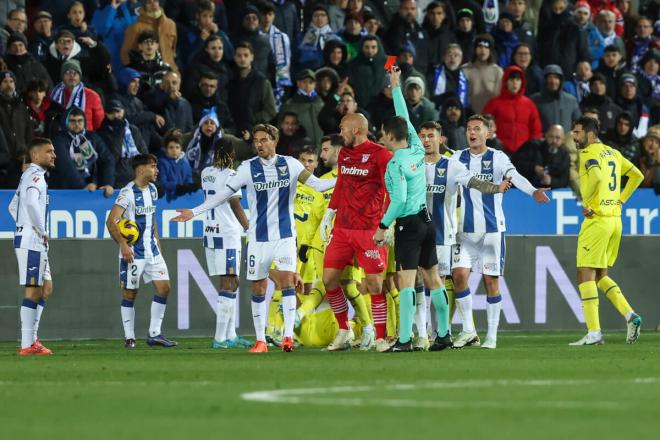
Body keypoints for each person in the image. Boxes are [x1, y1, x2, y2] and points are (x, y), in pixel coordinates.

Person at [172, 124, 336, 353]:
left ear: (274, 141)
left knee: (288, 282)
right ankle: (261, 340)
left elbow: (318, 185)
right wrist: (194, 212)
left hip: (285, 236)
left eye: (264, 139)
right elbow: (223, 194)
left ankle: (288, 336)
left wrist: (346, 178)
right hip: (257, 238)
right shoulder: (247, 168)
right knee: (258, 287)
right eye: (256, 140)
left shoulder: (290, 164)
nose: (259, 144)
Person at [451, 115, 550, 349]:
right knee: (458, 276)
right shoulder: (457, 157)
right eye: (469, 129)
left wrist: (532, 191)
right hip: (464, 231)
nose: (472, 132)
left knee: (490, 282)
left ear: (488, 133)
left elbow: (513, 176)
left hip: (492, 231)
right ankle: (469, 330)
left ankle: (492, 337)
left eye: (477, 129)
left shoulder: (497, 157)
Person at [318, 113, 393, 352]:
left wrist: (387, 222)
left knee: (374, 284)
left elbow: (391, 189)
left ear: (357, 130)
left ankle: (380, 337)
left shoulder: (381, 155)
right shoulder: (346, 154)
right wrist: (330, 212)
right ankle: (344, 329)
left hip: (369, 230)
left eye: (343, 129)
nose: (340, 133)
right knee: (329, 279)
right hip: (342, 229)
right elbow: (341, 184)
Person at [569, 116, 644, 346]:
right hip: (615, 221)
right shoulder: (612, 153)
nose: (574, 135)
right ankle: (630, 316)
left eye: (577, 132)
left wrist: (587, 202)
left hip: (598, 220)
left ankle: (594, 333)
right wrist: (620, 201)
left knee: (584, 274)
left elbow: (598, 176)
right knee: (601, 275)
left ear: (589, 134)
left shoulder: (588, 153)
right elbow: (637, 176)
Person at [295, 134, 374, 351]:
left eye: (326, 150)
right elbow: (317, 215)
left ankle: (368, 328)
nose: (321, 155)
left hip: (353, 239)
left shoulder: (359, 174)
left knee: (352, 286)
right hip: (327, 244)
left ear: (339, 151)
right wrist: (307, 244)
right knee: (330, 284)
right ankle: (345, 331)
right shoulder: (322, 182)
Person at [106, 153, 177, 349]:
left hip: (152, 251)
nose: (157, 170)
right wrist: (123, 244)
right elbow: (111, 221)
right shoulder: (127, 193)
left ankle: (155, 334)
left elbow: (152, 218)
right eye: (153, 166)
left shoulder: (153, 190)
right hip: (133, 253)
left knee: (164, 288)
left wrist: (158, 243)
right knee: (130, 293)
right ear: (140, 169)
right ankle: (130, 338)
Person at [200, 138, 251, 349]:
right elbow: (235, 204)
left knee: (233, 281)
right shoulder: (231, 175)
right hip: (228, 233)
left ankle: (231, 334)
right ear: (231, 154)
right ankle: (220, 338)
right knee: (228, 283)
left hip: (210, 233)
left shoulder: (205, 173)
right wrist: (249, 227)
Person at [9, 138, 56, 355]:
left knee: (45, 288)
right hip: (32, 240)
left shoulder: (29, 176)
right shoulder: (35, 175)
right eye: (49, 151)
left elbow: (13, 206)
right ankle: (27, 344)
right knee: (33, 290)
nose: (53, 155)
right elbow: (28, 203)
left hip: (31, 238)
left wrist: (22, 224)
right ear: (35, 156)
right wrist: (39, 229)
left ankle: (33, 339)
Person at [482, 65, 543, 155]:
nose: (515, 83)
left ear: (522, 82)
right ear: (506, 82)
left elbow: (536, 131)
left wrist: (531, 149)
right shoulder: (494, 103)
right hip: (500, 152)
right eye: (511, 80)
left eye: (518, 80)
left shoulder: (529, 104)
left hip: (524, 153)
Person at [121, 0, 178, 72]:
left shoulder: (171, 24)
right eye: (149, 2)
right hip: (146, 76)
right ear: (144, 6)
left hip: (169, 74)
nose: (153, 4)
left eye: (155, 1)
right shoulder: (135, 28)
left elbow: (173, 50)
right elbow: (125, 55)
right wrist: (136, 75)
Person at [49, 59, 104, 132]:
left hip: (86, 137)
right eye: (68, 72)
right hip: (60, 137)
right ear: (62, 76)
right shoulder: (54, 94)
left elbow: (99, 123)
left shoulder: (92, 96)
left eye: (75, 73)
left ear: (80, 76)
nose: (72, 76)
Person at [531, 64, 582, 133]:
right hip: (543, 142)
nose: (553, 81)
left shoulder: (571, 100)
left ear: (561, 80)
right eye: (550, 78)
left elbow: (579, 123)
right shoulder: (535, 100)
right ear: (545, 80)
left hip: (566, 142)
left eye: (556, 78)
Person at [463, 34, 503, 114]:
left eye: (486, 47)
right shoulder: (465, 69)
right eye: (480, 47)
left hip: (491, 116)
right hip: (469, 115)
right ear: (474, 49)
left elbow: (500, 97)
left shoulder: (497, 71)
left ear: (490, 50)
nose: (483, 50)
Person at [157, 132, 193, 202]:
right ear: (166, 149)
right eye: (171, 147)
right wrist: (177, 187)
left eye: (177, 147)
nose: (174, 150)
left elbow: (189, 178)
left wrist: (189, 187)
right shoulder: (162, 162)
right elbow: (162, 182)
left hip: (184, 198)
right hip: (167, 199)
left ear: (181, 149)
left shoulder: (185, 162)